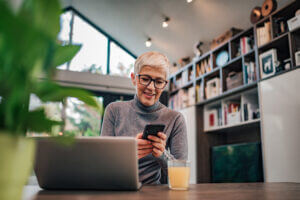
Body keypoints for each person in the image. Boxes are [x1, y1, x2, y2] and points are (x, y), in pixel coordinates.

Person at [101, 51, 188, 184]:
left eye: (158, 81)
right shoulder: (114, 110)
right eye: (145, 79)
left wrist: (162, 155)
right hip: (117, 190)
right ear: (134, 79)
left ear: (165, 84)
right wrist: (128, 153)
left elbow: (181, 177)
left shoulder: (175, 119)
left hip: (154, 193)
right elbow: (102, 164)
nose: (151, 87)